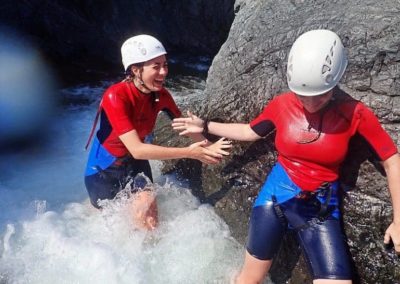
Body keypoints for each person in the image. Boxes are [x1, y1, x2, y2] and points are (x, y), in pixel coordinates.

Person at [172, 29, 400, 283]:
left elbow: (392, 161)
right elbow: (250, 131)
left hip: (319, 209)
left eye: (319, 96)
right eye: (303, 96)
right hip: (274, 198)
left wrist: (399, 220)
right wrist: (205, 126)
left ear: (335, 81)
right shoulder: (282, 104)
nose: (310, 104)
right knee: (249, 279)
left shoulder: (356, 113)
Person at [84, 34, 231, 230]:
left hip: (135, 163)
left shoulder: (161, 95)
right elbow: (137, 149)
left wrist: (210, 147)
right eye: (156, 66)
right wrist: (190, 153)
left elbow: (185, 127)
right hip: (104, 170)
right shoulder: (115, 96)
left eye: (165, 64)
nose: (163, 72)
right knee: (107, 227)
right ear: (136, 70)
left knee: (149, 218)